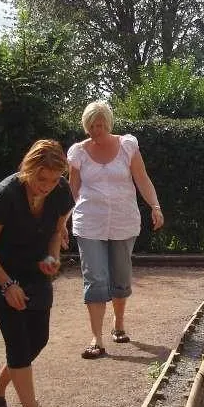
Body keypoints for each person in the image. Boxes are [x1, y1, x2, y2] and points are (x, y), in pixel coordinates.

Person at [0, 139, 74, 407]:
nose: (47, 185)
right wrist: (6, 284)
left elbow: (56, 232)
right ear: (28, 169)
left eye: (55, 179)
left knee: (38, 339)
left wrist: (52, 257)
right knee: (18, 343)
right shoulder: (6, 195)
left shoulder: (60, 192)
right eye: (41, 178)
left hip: (34, 268)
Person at [67, 101, 164, 359]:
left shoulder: (127, 146)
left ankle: (118, 322)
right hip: (89, 222)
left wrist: (155, 206)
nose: (96, 130)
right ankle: (96, 340)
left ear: (108, 124)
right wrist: (62, 223)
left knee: (120, 275)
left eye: (100, 125)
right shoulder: (77, 152)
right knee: (95, 277)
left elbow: (142, 179)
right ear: (85, 126)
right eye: (91, 126)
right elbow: (72, 189)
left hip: (123, 221)